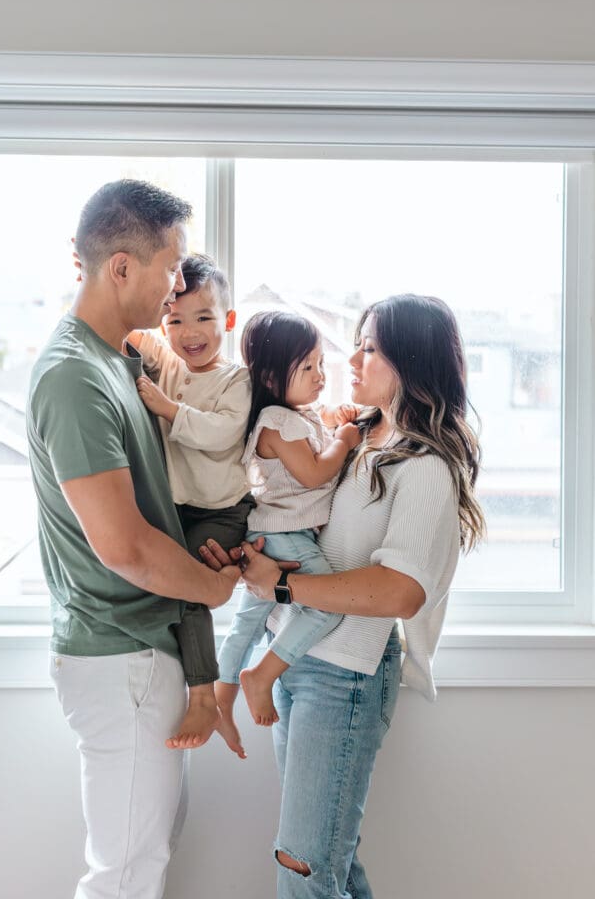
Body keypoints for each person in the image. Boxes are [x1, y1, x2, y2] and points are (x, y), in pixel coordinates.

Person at [202, 294, 485, 899]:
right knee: (330, 863)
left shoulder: (427, 465)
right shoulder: (363, 437)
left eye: (371, 347)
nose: (351, 358)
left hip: (345, 678)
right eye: (355, 342)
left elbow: (402, 590)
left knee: (303, 866)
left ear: (410, 360)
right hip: (298, 666)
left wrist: (281, 584)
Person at [26, 179, 241, 899]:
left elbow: (154, 509)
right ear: (121, 267)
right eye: (170, 267)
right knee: (122, 875)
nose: (177, 286)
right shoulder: (73, 377)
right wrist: (210, 586)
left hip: (140, 654)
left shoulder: (117, 362)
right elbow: (123, 546)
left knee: (140, 862)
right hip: (120, 658)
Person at [125, 253, 254, 756]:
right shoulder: (172, 364)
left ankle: (204, 695)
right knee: (172, 586)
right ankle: (183, 683)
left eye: (203, 318)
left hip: (222, 511)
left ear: (227, 320)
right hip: (178, 511)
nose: (189, 332)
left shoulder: (234, 380)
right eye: (175, 320)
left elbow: (222, 433)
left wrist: (167, 407)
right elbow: (132, 331)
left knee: (191, 587)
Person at [215, 310, 361, 742]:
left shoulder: (295, 417)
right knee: (326, 603)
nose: (320, 375)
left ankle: (221, 695)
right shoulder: (278, 423)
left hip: (272, 534)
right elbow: (315, 473)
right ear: (273, 379)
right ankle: (261, 675)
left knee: (249, 621)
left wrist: (335, 421)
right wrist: (345, 441)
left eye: (320, 363)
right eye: (307, 367)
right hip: (286, 537)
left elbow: (317, 427)